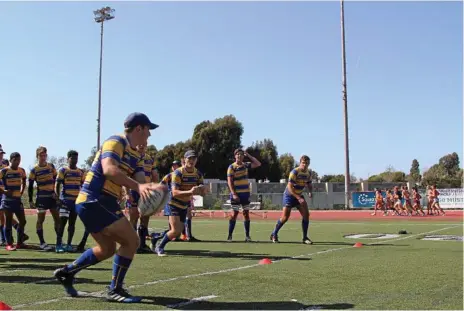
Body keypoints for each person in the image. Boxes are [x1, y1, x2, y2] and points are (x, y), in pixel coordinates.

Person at [53, 112, 164, 303]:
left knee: (106, 248)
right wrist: (140, 187)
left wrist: (155, 191)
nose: (149, 135)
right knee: (132, 241)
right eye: (148, 130)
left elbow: (140, 181)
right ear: (139, 128)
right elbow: (109, 170)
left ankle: (66, 273)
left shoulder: (136, 154)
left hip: (100, 202)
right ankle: (115, 289)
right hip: (95, 199)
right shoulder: (115, 142)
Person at [153, 150, 207, 256]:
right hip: (172, 203)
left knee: (177, 231)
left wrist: (203, 191)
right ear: (184, 160)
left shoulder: (198, 174)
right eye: (189, 158)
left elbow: (201, 191)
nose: (192, 160)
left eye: (194, 158)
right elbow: (175, 192)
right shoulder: (178, 173)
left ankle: (156, 237)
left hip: (184, 204)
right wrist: (190, 192)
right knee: (175, 231)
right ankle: (159, 247)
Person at [270, 155, 313, 244]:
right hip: (289, 195)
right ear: (300, 163)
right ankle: (274, 234)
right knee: (285, 217)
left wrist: (310, 192)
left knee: (306, 215)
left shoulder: (308, 173)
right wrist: (297, 197)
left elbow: (309, 184)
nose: (305, 165)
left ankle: (305, 238)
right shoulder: (295, 172)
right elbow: (289, 186)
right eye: (303, 163)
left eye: (307, 163)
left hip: (299, 195)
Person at [226, 149, 261, 242]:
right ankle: (229, 236)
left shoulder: (246, 165)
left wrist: (249, 155)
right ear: (235, 156)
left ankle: (247, 236)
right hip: (236, 194)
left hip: (245, 193)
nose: (240, 156)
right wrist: (234, 194)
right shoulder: (232, 167)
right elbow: (229, 181)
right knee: (234, 214)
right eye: (238, 154)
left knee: (246, 214)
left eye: (241, 154)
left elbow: (258, 164)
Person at [28, 146, 59, 251]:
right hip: (41, 197)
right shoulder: (34, 170)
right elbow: (31, 186)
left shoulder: (51, 166)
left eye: (45, 155)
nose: (43, 157)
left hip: (52, 197)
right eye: (41, 155)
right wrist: (30, 200)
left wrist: (56, 193)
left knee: (57, 218)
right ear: (37, 156)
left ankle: (59, 242)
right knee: (40, 220)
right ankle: (42, 242)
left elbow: (56, 180)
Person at [55, 150, 85, 253]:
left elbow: (83, 186)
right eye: (72, 158)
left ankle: (68, 244)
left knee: (72, 223)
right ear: (68, 159)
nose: (74, 160)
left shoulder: (80, 172)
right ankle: (58, 244)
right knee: (62, 223)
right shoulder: (63, 170)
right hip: (65, 201)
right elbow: (58, 184)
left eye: (76, 158)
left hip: (75, 202)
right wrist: (58, 198)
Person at [0, 152, 27, 251]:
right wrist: (4, 191)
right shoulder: (4, 171)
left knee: (23, 221)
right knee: (8, 222)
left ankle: (20, 243)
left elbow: (24, 180)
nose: (17, 162)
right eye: (15, 160)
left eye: (19, 160)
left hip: (17, 200)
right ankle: (9, 244)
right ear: (11, 160)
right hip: (7, 200)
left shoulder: (22, 170)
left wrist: (22, 191)